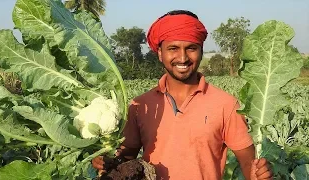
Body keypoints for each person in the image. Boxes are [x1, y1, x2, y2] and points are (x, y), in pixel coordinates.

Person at [93, 10, 273, 180]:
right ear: (160, 54)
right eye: (173, 48)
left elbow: (249, 164)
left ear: (201, 51)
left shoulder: (226, 104)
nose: (183, 57)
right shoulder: (140, 106)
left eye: (191, 48)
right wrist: (106, 162)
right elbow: (126, 159)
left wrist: (260, 173)